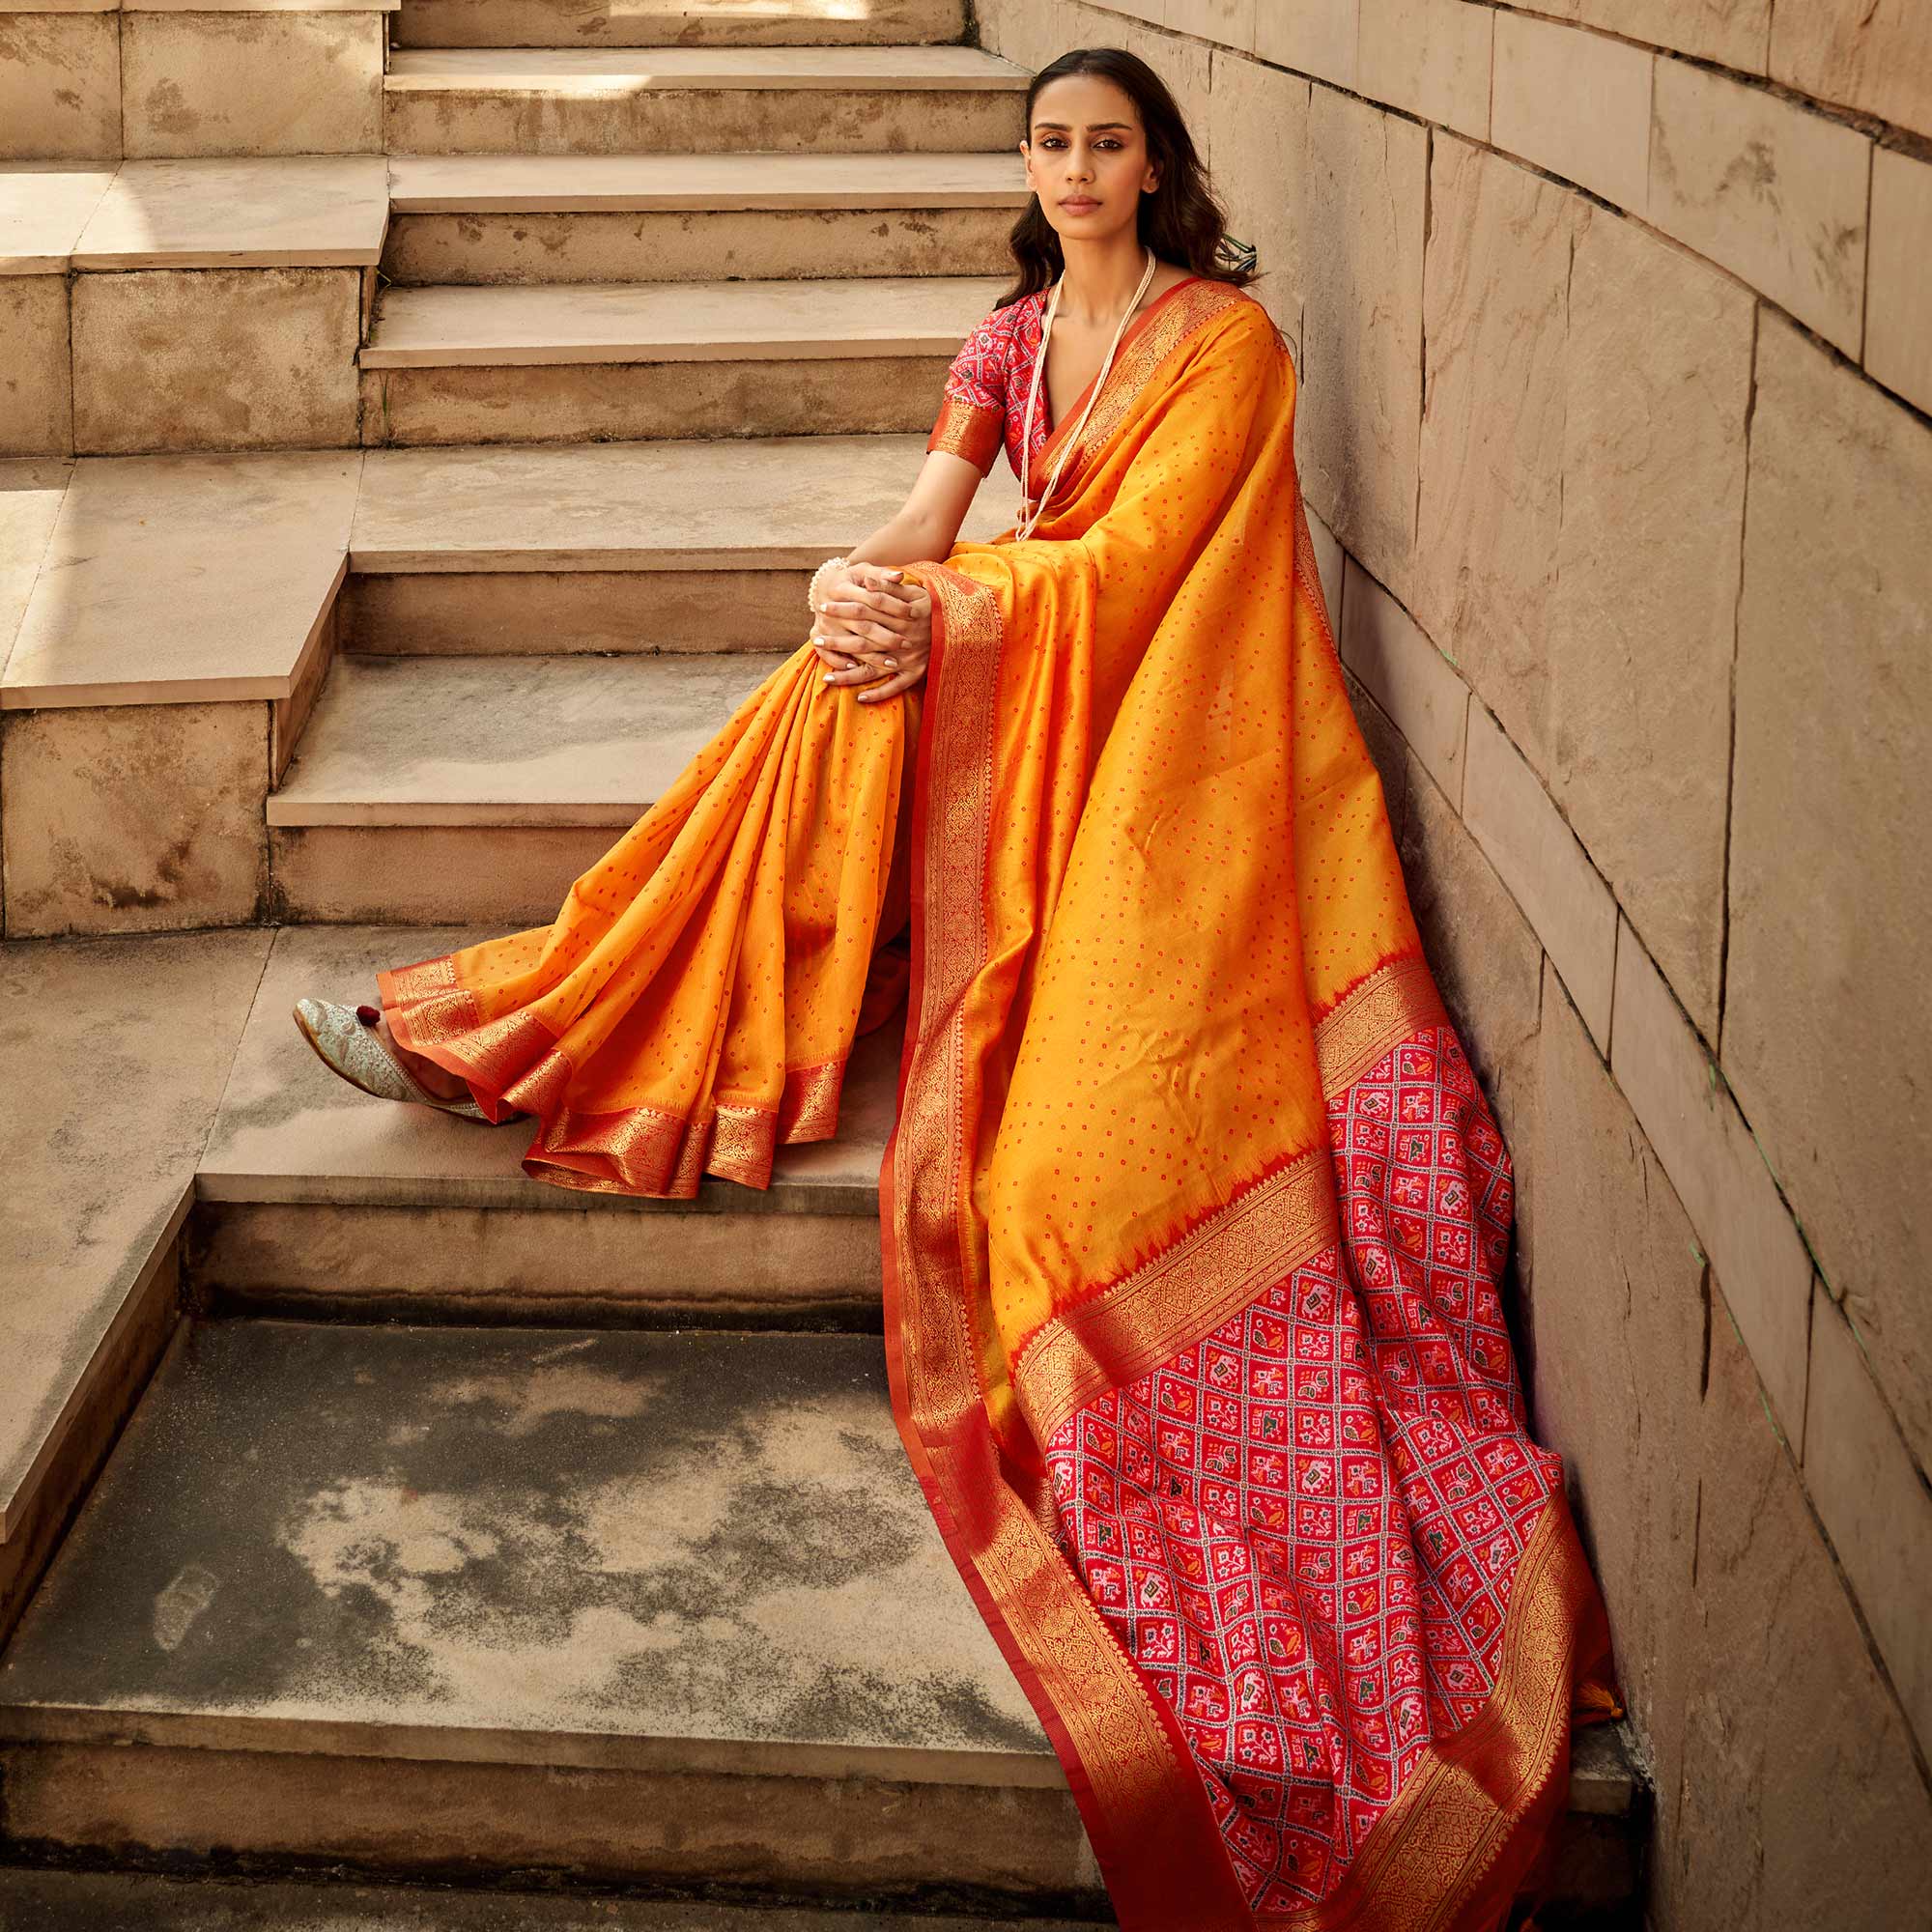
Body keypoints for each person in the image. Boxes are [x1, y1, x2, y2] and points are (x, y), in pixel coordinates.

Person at [295, 44, 1621, 1930]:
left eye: (1108, 143)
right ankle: (541, 1021)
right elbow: (940, 510)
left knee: (1062, 1131)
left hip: (1181, 741)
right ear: (1032, 164)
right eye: (1052, 144)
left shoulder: (1226, 348)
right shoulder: (1010, 340)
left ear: (1159, 166)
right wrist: (867, 579)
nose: (1077, 168)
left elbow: (1155, 565)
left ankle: (564, 1020)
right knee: (816, 690)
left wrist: (962, 610)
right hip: (1037, 669)